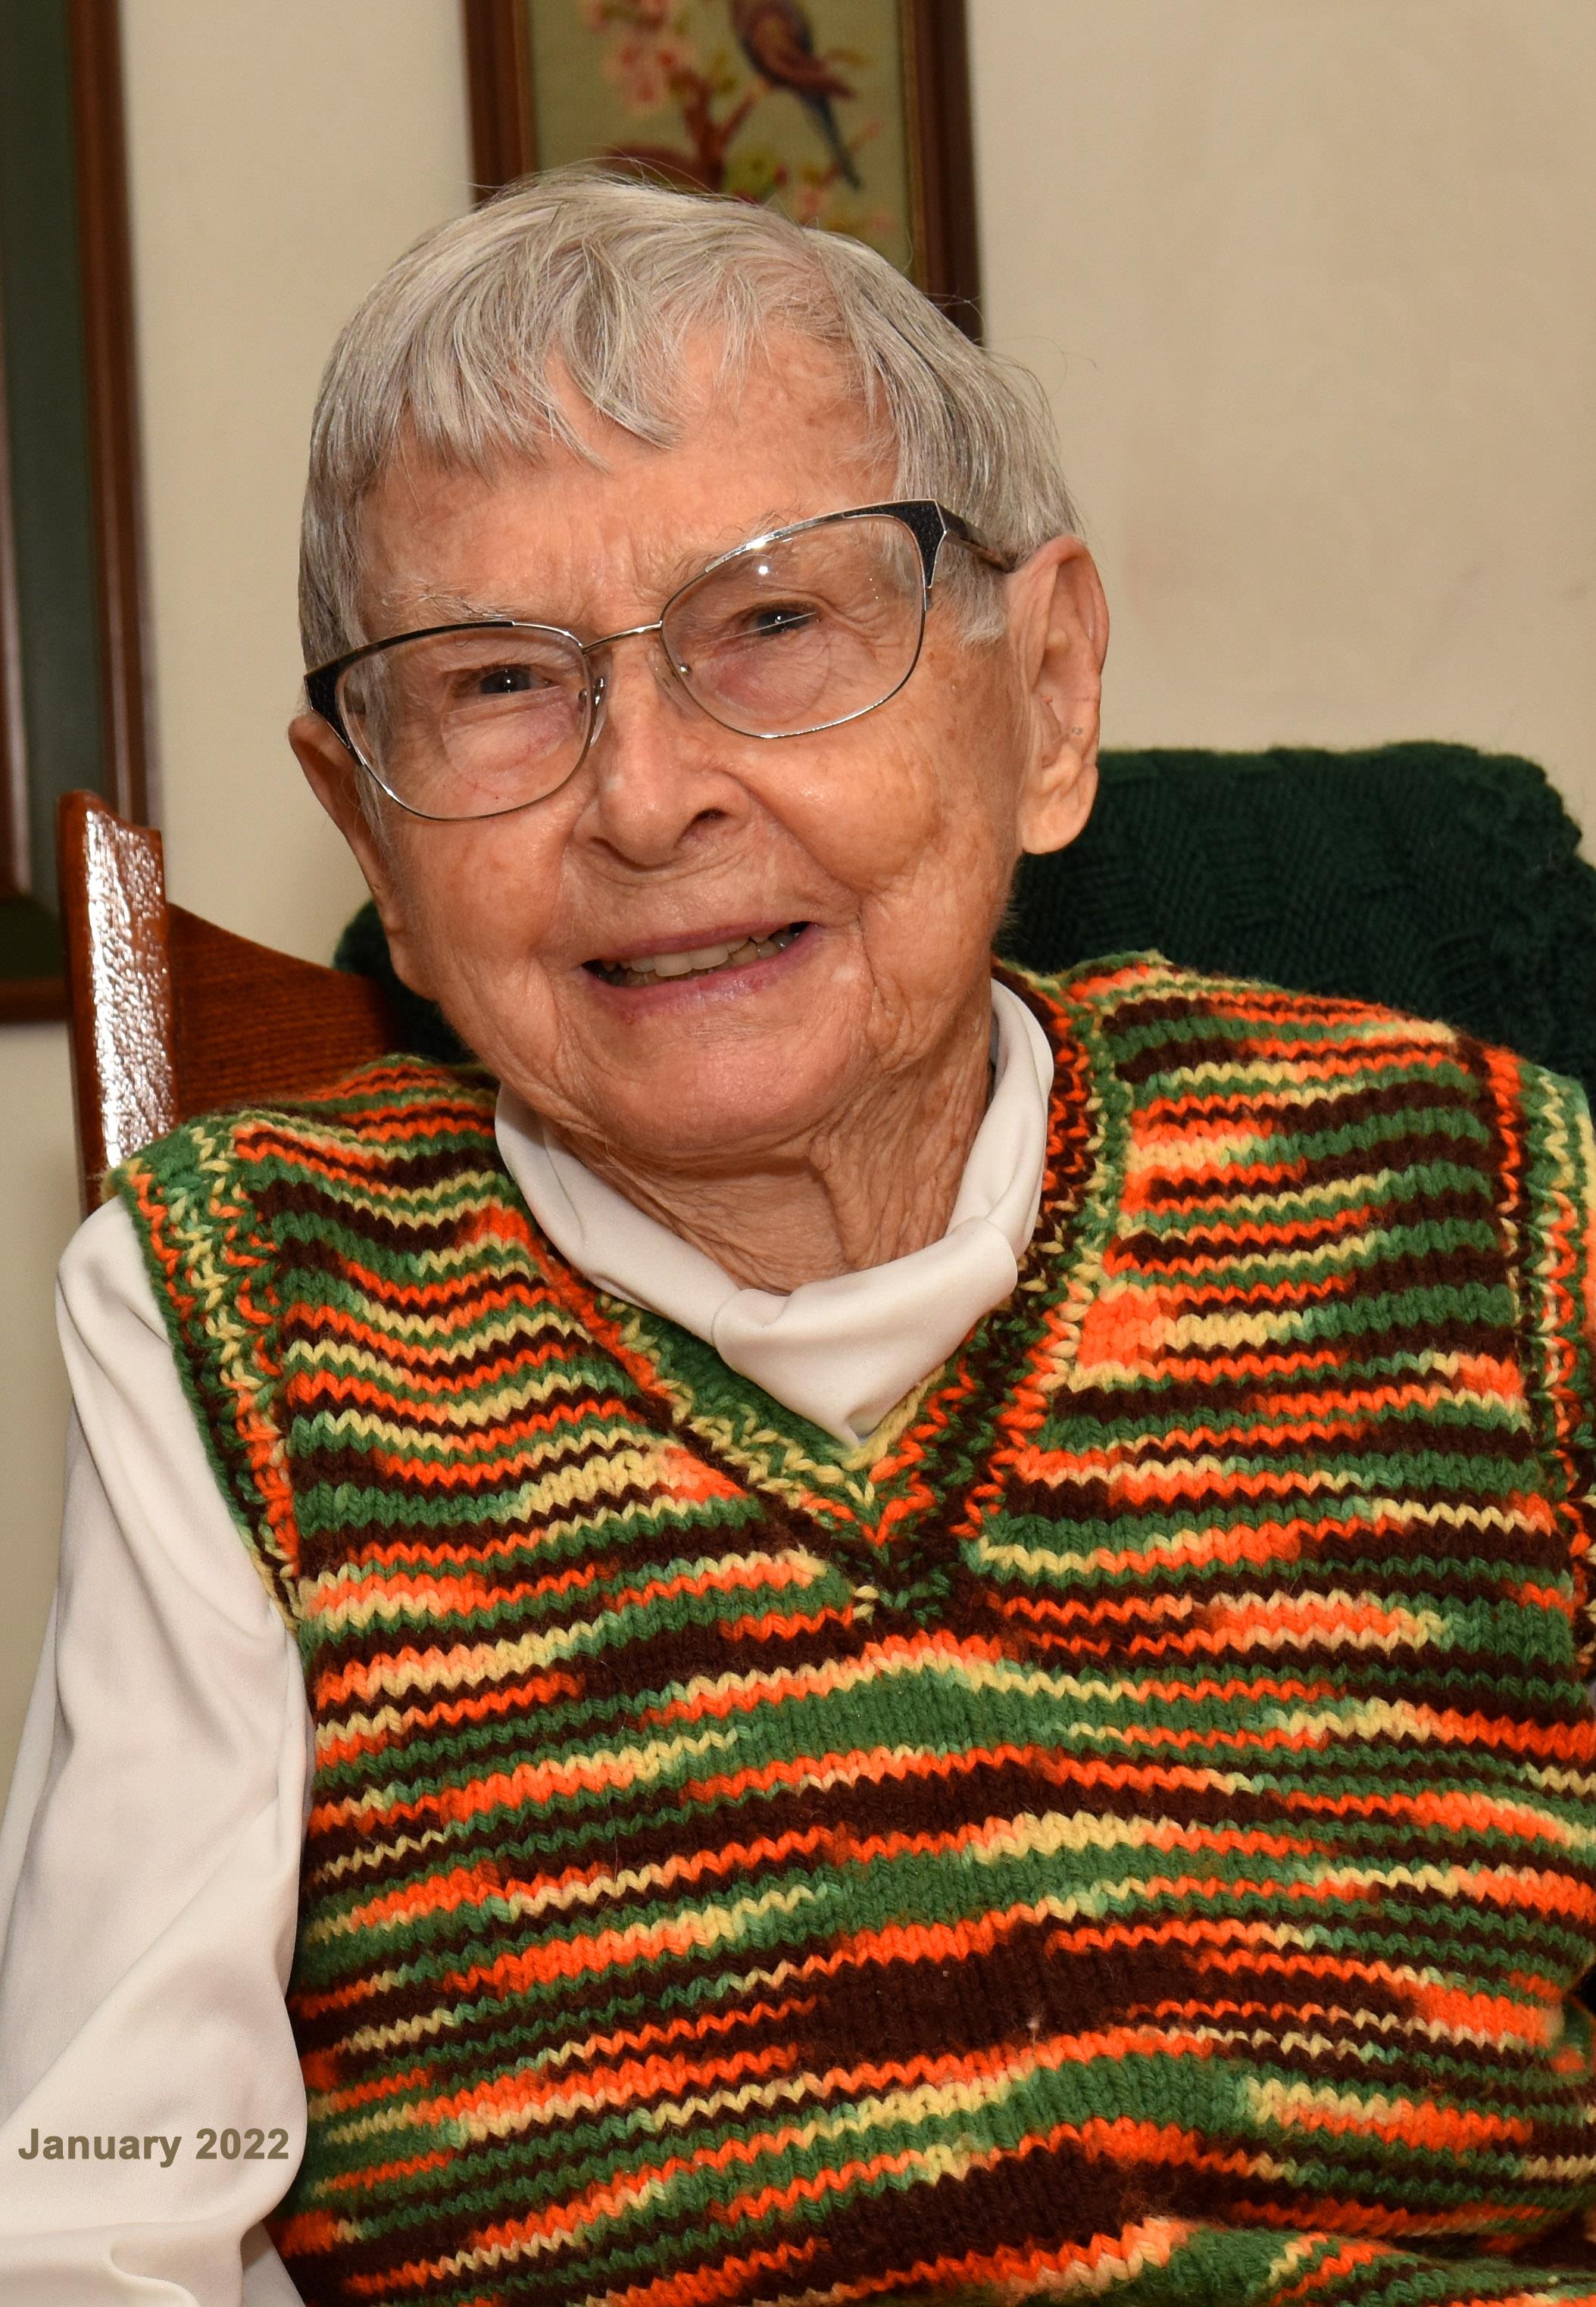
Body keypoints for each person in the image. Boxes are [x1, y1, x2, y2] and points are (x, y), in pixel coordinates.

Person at [4, 167, 1596, 2307]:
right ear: (359, 811)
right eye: (492, 681)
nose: (646, 794)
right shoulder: (242, 1318)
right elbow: (105, 2205)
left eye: (771, 626)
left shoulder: (1479, 1199)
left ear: (1043, 696)